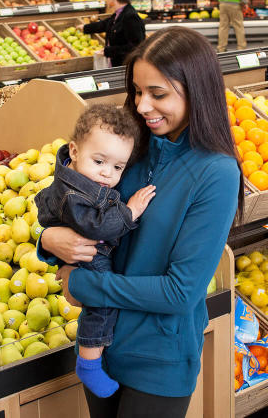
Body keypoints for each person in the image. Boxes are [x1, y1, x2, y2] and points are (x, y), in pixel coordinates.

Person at [38, 26, 243, 416]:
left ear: (196, 89)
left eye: (158, 94)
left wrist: (84, 283)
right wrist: (48, 241)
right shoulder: (128, 147)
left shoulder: (217, 172)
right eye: (137, 91)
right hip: (101, 346)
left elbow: (180, 292)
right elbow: (78, 208)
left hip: (159, 361)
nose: (143, 106)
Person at [34, 104, 157, 398]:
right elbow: (98, 227)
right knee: (103, 300)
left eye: (117, 168)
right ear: (74, 151)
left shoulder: (81, 178)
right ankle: (88, 363)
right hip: (90, 251)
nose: (106, 174)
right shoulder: (75, 192)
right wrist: (130, 211)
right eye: (99, 161)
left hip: (85, 248)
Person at [83, 0, 145, 67]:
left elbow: (136, 47)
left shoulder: (130, 17)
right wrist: (85, 28)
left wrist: (108, 51)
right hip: (116, 66)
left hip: (124, 70)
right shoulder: (119, 14)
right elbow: (105, 24)